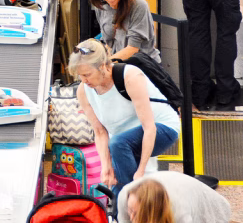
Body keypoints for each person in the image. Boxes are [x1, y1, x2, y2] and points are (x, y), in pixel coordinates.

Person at [72, 38, 180, 208]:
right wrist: (106, 166)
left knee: (122, 160)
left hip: (162, 127)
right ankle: (126, 210)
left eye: (87, 74)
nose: (84, 80)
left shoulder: (130, 76)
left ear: (102, 67)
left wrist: (141, 170)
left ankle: (130, 205)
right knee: (116, 177)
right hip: (125, 138)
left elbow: (149, 127)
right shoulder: (83, 91)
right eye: (80, 75)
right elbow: (100, 132)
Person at [89, 0, 159, 63]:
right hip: (118, 64)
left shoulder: (138, 5)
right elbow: (109, 44)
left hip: (142, 66)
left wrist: (103, 65)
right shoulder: (101, 6)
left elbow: (133, 49)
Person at [120, 174, 232, 223]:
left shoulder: (179, 214)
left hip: (210, 211)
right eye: (130, 211)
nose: (131, 217)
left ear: (153, 212)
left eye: (136, 213)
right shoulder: (125, 196)